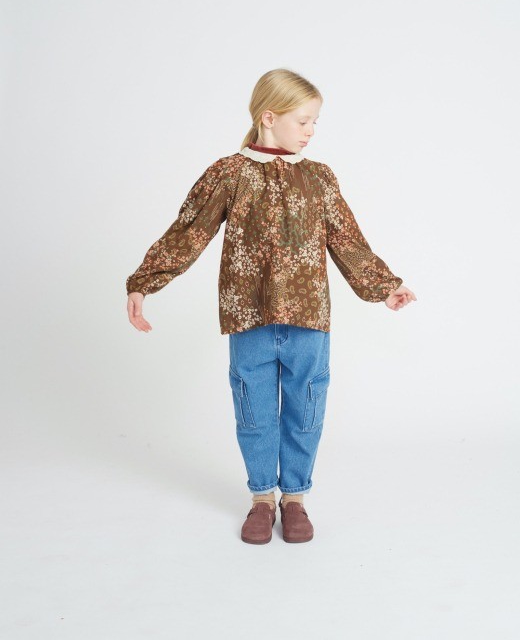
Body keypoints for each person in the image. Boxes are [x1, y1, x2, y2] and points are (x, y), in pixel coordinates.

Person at [126, 68, 416, 545]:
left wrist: (384, 286)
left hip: (308, 319)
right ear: (268, 117)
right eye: (303, 121)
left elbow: (346, 239)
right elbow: (189, 231)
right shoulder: (229, 173)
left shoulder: (318, 177)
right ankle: (262, 498)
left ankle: (295, 499)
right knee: (254, 412)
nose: (311, 130)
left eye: (315, 122)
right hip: (249, 316)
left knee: (306, 410)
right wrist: (145, 282)